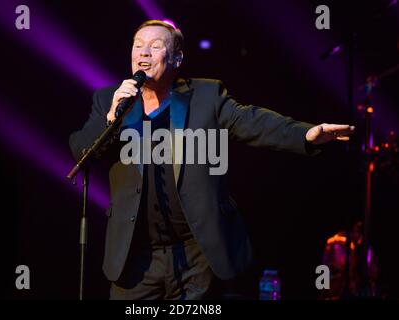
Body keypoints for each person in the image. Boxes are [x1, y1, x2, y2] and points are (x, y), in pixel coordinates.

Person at [69, 20, 355, 300]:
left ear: (176, 58)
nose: (143, 53)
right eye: (138, 45)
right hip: (135, 256)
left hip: (195, 253)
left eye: (155, 46)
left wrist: (305, 135)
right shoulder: (109, 100)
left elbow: (251, 121)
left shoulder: (205, 96)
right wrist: (112, 117)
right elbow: (82, 151)